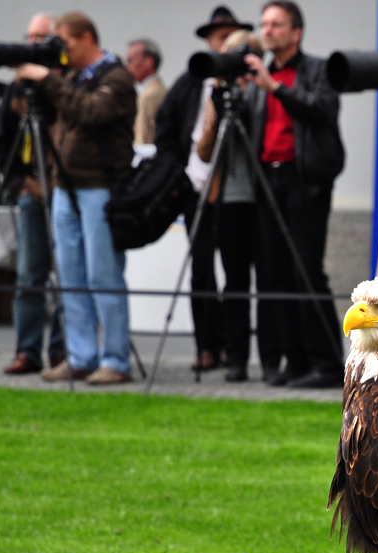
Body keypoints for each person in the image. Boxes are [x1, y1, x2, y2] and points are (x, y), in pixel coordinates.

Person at [18, 11, 137, 385]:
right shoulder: (69, 78)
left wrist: (48, 80)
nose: (60, 51)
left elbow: (90, 113)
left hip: (99, 188)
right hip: (65, 190)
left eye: (64, 42)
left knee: (103, 274)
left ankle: (116, 359)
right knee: (69, 275)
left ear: (87, 38)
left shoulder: (116, 78)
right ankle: (81, 356)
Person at [242, 0, 346, 388]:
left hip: (306, 180)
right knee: (274, 274)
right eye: (264, 24)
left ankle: (328, 364)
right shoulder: (258, 75)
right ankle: (295, 361)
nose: (267, 30)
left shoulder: (318, 69)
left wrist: (277, 89)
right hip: (267, 181)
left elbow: (322, 109)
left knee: (306, 271)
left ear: (295, 33)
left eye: (276, 24)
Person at [153, 5, 257, 375]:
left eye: (229, 39)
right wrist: (176, 173)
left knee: (233, 272)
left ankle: (233, 348)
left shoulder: (243, 85)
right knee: (200, 271)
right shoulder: (190, 82)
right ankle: (206, 347)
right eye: (217, 39)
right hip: (194, 187)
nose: (222, 46)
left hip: (230, 189)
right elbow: (165, 128)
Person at [0, 12, 65, 375]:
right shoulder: (17, 87)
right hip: (30, 189)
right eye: (30, 37)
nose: (34, 44)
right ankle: (27, 351)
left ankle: (63, 351)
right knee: (29, 276)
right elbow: (2, 140)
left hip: (65, 186)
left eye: (42, 38)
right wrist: (20, 183)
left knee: (67, 274)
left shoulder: (64, 81)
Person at [126, 38, 167, 145]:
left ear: (149, 61)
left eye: (131, 60)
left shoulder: (148, 96)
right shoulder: (160, 90)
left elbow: (142, 138)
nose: (127, 67)